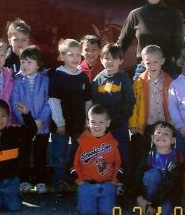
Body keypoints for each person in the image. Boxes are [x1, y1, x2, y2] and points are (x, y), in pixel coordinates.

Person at [117, 0, 185, 78]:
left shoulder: (175, 14)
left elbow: (179, 48)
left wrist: (184, 74)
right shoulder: (135, 15)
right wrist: (105, 58)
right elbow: (121, 46)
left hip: (167, 71)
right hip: (142, 70)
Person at [49, 38, 93, 196]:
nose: (75, 58)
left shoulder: (82, 76)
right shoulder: (58, 76)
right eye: (70, 55)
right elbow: (54, 101)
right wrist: (59, 123)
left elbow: (88, 100)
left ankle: (74, 177)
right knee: (59, 153)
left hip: (78, 122)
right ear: (62, 56)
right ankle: (59, 180)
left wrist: (87, 121)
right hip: (61, 124)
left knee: (77, 151)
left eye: (78, 55)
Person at [91, 43, 134, 195]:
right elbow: (95, 104)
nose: (110, 62)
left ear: (121, 61)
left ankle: (121, 182)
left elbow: (129, 102)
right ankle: (103, 180)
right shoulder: (97, 80)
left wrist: (120, 118)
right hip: (102, 127)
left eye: (114, 59)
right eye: (106, 58)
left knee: (121, 154)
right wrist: (99, 123)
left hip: (119, 125)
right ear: (101, 59)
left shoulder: (124, 79)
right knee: (103, 155)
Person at [9, 45, 51, 194]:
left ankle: (40, 180)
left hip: (42, 126)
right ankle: (24, 179)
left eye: (29, 62)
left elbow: (49, 102)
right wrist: (26, 121)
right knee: (24, 154)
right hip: (24, 126)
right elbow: (14, 102)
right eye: (23, 62)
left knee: (40, 154)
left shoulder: (45, 80)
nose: (25, 66)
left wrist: (40, 120)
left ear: (38, 64)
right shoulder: (18, 80)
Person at [129, 45, 173, 179]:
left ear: (162, 61)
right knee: (142, 155)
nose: (152, 65)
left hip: (163, 125)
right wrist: (133, 124)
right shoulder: (139, 82)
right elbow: (133, 105)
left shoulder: (169, 81)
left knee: (162, 154)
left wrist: (172, 122)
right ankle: (139, 184)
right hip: (145, 125)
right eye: (148, 63)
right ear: (143, 63)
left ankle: (162, 181)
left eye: (156, 62)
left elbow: (173, 104)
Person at [73, 104, 121, 215]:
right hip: (87, 185)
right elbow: (73, 164)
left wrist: (114, 180)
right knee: (88, 211)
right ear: (87, 122)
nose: (97, 126)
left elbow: (119, 163)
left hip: (107, 184)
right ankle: (83, 204)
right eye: (93, 122)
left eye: (101, 122)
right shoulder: (80, 141)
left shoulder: (113, 142)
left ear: (108, 123)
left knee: (108, 212)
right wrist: (79, 181)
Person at [131, 122, 182, 215]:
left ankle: (150, 207)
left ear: (173, 140)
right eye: (158, 132)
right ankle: (147, 204)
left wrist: (155, 204)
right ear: (152, 138)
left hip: (165, 195)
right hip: (148, 195)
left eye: (166, 133)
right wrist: (139, 197)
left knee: (165, 211)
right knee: (153, 175)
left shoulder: (176, 158)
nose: (161, 135)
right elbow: (138, 176)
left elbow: (170, 184)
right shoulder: (148, 155)